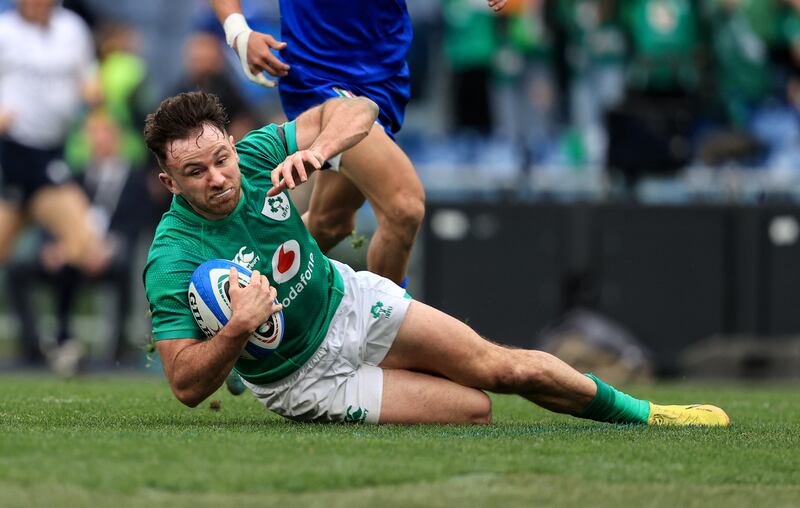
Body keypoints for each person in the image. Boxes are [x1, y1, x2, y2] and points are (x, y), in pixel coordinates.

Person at [142, 91, 729, 426]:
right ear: (170, 181)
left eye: (221, 158)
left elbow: (358, 109)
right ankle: (393, 377)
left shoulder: (258, 154)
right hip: (305, 380)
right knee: (475, 410)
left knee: (504, 370)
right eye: (196, 172)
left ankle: (652, 416)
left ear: (230, 142)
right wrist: (240, 327)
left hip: (350, 303)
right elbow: (185, 385)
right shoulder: (171, 255)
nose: (219, 178)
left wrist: (319, 150)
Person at [209, 0, 507, 289]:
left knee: (332, 222)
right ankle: (388, 336)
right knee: (403, 207)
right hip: (318, 78)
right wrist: (239, 32)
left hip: (384, 78)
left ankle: (239, 292)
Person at [0, 0, 109, 366]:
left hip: (49, 155)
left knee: (84, 243)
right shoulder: (5, 31)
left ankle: (62, 338)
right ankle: (57, 338)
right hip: (10, 153)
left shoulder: (72, 29)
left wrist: (94, 102)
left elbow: (90, 82)